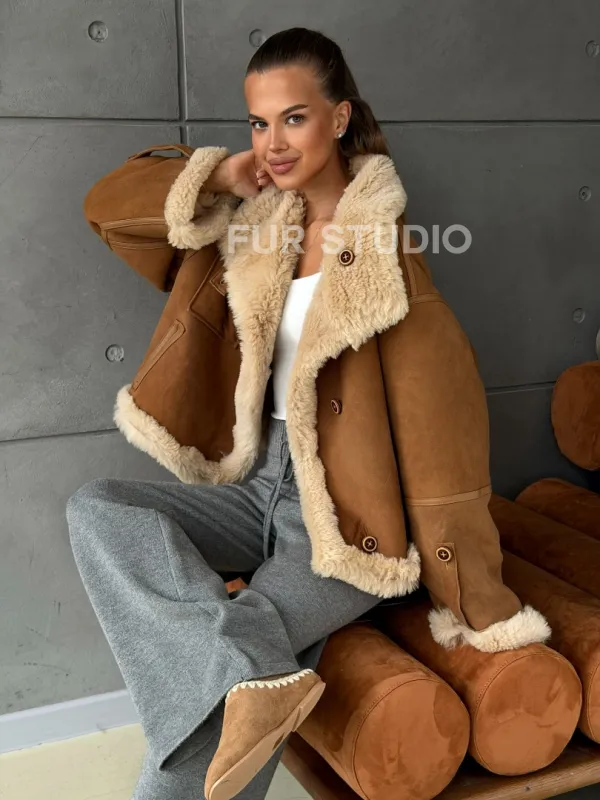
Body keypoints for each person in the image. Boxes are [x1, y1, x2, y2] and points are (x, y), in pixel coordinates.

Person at [66, 26, 549, 800]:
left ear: (339, 117)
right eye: (259, 122)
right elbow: (105, 209)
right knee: (99, 508)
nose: (274, 142)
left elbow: (445, 451)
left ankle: (234, 690)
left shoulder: (387, 266)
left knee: (229, 675)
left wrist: (476, 602)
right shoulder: (253, 228)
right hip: (255, 487)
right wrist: (218, 175)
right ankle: (252, 673)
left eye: (294, 117)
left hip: (345, 530)